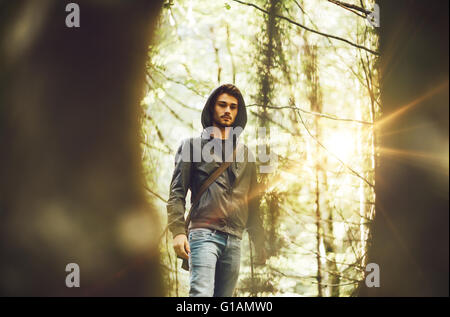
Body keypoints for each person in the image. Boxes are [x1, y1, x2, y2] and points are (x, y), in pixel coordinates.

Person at [166, 84, 266, 297]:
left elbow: (253, 204)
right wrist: (177, 232)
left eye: (233, 106)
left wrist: (260, 241)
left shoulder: (247, 156)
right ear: (212, 108)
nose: (228, 110)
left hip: (235, 239)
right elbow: (177, 193)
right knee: (201, 295)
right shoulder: (191, 146)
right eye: (222, 105)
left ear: (239, 112)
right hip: (203, 234)